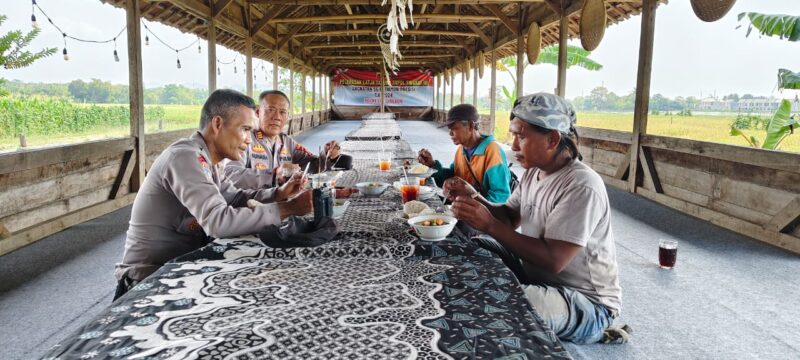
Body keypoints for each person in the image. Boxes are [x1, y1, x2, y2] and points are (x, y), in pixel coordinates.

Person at [444, 93, 625, 344]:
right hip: (535, 275)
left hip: (584, 301)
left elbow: (554, 260)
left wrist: (489, 224)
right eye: (513, 134)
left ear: (552, 139)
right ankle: (530, 298)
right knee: (472, 246)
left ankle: (594, 331)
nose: (514, 145)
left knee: (493, 308)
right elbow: (508, 217)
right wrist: (473, 196)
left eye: (521, 135)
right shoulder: (534, 172)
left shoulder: (581, 185)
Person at [114, 89, 312, 300]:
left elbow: (235, 199)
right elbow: (218, 222)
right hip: (148, 280)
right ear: (217, 124)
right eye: (245, 129)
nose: (248, 140)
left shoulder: (211, 162)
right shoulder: (184, 157)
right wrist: (287, 209)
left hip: (182, 267)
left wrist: (279, 194)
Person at [224, 90, 352, 190]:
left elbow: (313, 166)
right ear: (258, 112)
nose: (277, 117)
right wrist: (273, 174)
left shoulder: (287, 143)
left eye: (282, 112)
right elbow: (230, 175)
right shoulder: (245, 139)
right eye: (271, 110)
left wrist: (328, 154)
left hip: (282, 201)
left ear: (287, 116)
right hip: (252, 207)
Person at [417, 104, 511, 203]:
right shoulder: (461, 150)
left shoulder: (492, 151)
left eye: (454, 128)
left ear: (471, 126)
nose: (450, 134)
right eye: (449, 129)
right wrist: (432, 165)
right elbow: (453, 176)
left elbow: (501, 196)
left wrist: (473, 206)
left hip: (481, 213)